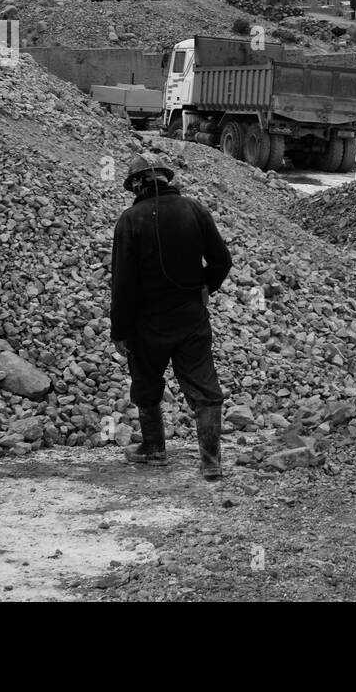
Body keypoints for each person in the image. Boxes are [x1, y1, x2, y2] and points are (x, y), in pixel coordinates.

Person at [110, 153, 232, 479]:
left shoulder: (129, 220)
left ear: (137, 184)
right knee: (205, 390)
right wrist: (206, 286)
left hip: (146, 325)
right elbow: (222, 260)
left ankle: (154, 450)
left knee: (147, 386)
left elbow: (122, 284)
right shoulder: (194, 209)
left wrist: (119, 331)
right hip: (190, 318)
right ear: (166, 179)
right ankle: (211, 461)